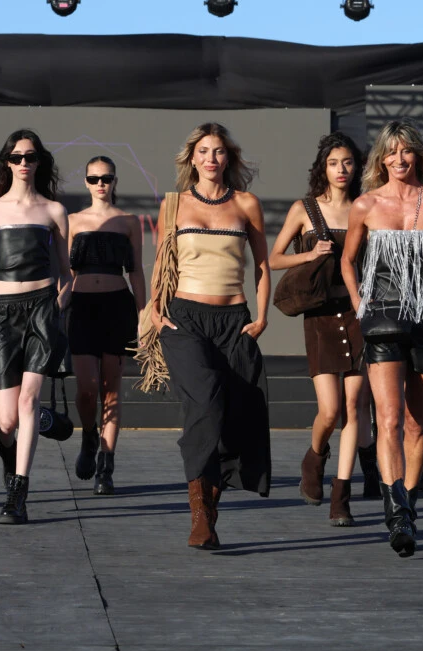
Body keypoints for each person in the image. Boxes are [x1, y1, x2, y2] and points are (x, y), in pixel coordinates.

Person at [340, 119, 423, 557]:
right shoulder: (365, 204)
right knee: (390, 419)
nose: (399, 160)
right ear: (381, 158)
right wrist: (361, 302)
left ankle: (409, 509)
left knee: (418, 423)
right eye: (391, 153)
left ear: (418, 155)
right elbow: (348, 261)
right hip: (383, 317)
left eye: (407, 152)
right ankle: (395, 512)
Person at [146, 122, 271, 550]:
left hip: (234, 319)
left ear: (228, 158)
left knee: (236, 417)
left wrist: (263, 316)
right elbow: (161, 261)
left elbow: (262, 265)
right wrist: (155, 309)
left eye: (218, 151)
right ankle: (199, 513)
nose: (211, 159)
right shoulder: (174, 204)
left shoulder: (246, 203)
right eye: (203, 151)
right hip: (184, 318)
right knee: (205, 402)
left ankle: (212, 496)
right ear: (192, 158)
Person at [0, 129, 71, 525]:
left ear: (39, 162)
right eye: (16, 157)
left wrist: (57, 306)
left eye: (30, 157)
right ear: (6, 163)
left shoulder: (54, 211)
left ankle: (18, 493)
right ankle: (26, 439)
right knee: (5, 419)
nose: (23, 163)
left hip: (42, 308)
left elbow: (67, 272)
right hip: (1, 311)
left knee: (27, 400)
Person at [268, 132, 375, 526]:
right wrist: (310, 253)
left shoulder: (366, 207)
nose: (341, 170)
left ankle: (340, 496)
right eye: (334, 163)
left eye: (347, 162)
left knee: (354, 408)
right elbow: (274, 259)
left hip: (356, 311)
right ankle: (314, 459)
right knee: (328, 411)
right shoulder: (305, 209)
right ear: (323, 168)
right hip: (319, 315)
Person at [67, 156, 146, 495]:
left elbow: (137, 271)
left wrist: (144, 315)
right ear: (86, 181)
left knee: (111, 388)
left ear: (115, 181)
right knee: (86, 386)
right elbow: (65, 272)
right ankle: (88, 434)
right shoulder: (71, 220)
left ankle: (106, 464)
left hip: (117, 305)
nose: (101, 183)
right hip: (82, 307)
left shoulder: (129, 221)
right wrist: (55, 308)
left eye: (107, 178)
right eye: (94, 178)